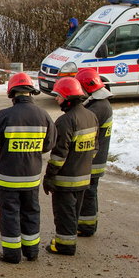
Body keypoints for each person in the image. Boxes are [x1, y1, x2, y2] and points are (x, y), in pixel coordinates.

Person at [0, 73, 57, 263]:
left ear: (12, 93)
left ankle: (12, 254)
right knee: (31, 212)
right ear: (31, 92)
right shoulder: (43, 115)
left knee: (9, 214)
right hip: (32, 177)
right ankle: (32, 252)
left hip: (8, 178)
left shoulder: (6, 115)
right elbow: (49, 144)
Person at [43, 77, 98, 256]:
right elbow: (95, 148)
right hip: (83, 177)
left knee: (64, 214)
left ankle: (64, 246)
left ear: (67, 98)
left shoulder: (66, 121)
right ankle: (64, 240)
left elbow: (59, 155)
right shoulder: (91, 116)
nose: (57, 100)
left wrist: (49, 176)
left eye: (59, 96)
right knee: (73, 213)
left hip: (66, 180)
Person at [75, 68, 113, 237]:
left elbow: (83, 125)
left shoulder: (98, 107)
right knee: (89, 192)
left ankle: (87, 226)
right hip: (96, 157)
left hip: (93, 160)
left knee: (89, 193)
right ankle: (86, 223)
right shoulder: (100, 103)